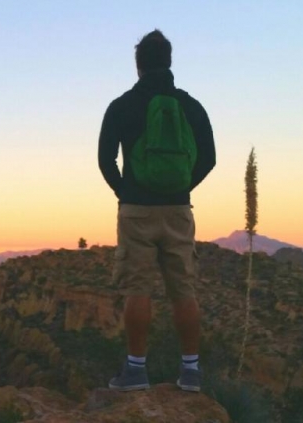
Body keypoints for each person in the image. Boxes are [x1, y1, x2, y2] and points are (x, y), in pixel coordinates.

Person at [98, 29, 216, 393]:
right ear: (168, 62)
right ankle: (191, 372)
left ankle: (136, 371)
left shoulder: (121, 105)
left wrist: (127, 192)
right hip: (179, 210)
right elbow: (209, 159)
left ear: (139, 66)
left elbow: (105, 160)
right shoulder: (191, 106)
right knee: (184, 289)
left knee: (139, 288)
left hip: (136, 211)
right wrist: (181, 189)